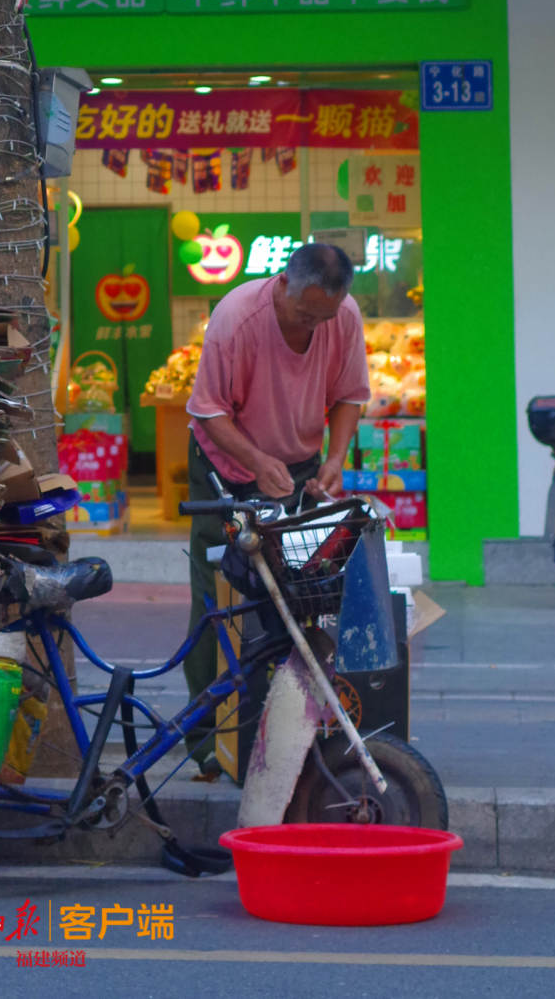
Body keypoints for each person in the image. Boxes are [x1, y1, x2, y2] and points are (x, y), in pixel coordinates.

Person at [181, 242, 371, 773]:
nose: (313, 326)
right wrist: (258, 463)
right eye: (304, 314)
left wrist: (334, 459)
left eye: (323, 316)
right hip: (228, 463)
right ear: (283, 283)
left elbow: (351, 395)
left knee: (301, 598)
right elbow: (208, 412)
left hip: (300, 465)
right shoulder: (238, 318)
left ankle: (287, 730)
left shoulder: (343, 316)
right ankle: (207, 740)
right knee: (217, 597)